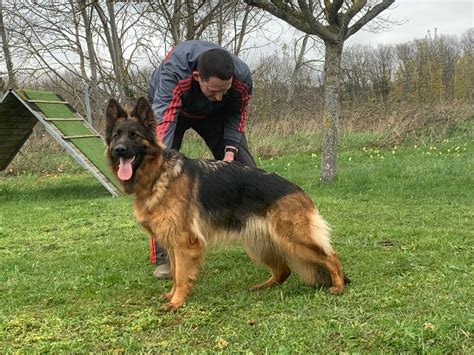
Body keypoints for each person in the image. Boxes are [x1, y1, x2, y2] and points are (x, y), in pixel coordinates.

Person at [148, 40, 256, 279]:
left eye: (224, 91)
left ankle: (259, 236)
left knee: (247, 169)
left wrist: (229, 154)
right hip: (173, 110)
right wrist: (160, 163)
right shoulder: (174, 72)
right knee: (163, 180)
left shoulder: (241, 77)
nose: (219, 96)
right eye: (214, 91)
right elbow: (163, 120)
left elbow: (236, 113)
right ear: (197, 77)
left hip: (215, 118)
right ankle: (166, 256)